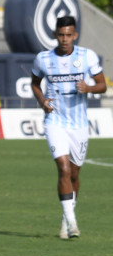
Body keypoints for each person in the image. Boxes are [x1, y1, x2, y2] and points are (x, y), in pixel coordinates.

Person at [30, 15, 106, 239]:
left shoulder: (86, 56)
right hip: (55, 121)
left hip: (79, 124)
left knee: (74, 174)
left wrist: (89, 88)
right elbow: (34, 84)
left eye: (68, 35)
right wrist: (42, 101)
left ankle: (67, 215)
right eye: (61, 35)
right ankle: (72, 223)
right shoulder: (43, 59)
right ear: (55, 35)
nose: (64, 39)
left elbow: (102, 85)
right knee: (63, 168)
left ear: (75, 35)